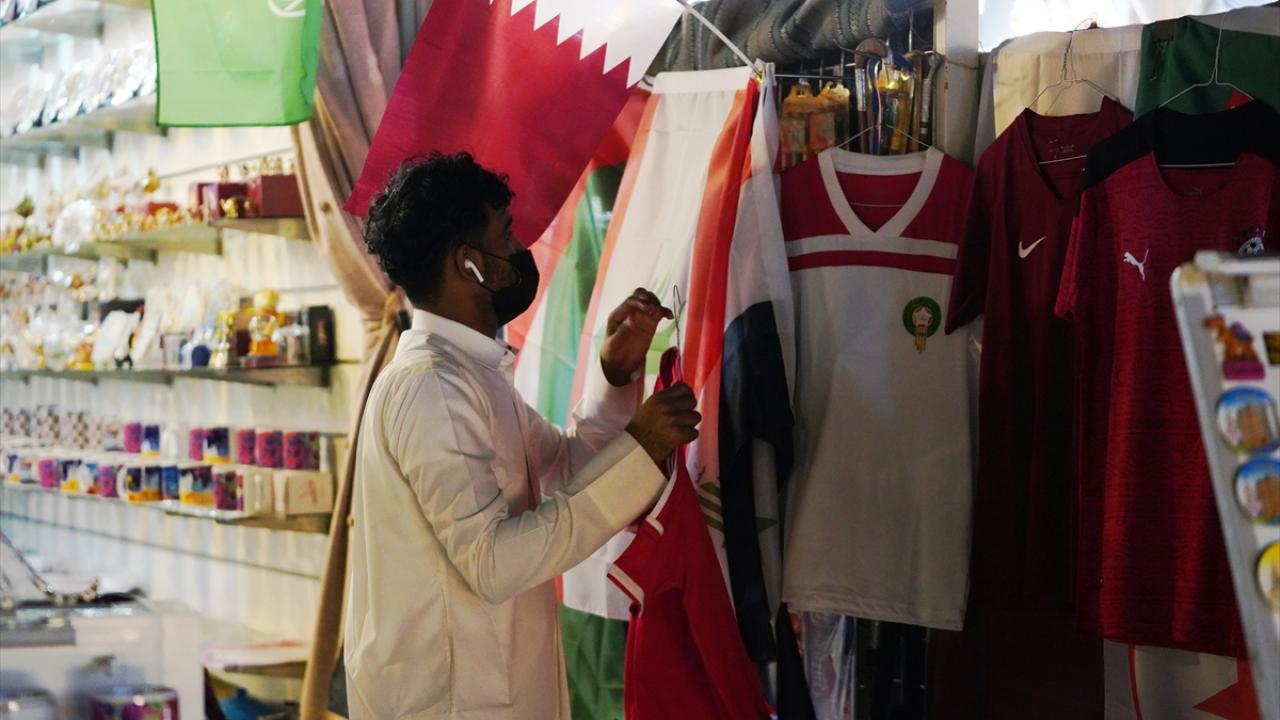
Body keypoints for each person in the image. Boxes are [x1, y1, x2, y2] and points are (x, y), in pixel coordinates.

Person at [345, 151, 700, 719]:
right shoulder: (433, 388)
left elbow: (564, 466)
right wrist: (640, 451)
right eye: (505, 236)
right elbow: (494, 564)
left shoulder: (467, 374)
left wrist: (614, 376)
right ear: (469, 264)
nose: (518, 250)